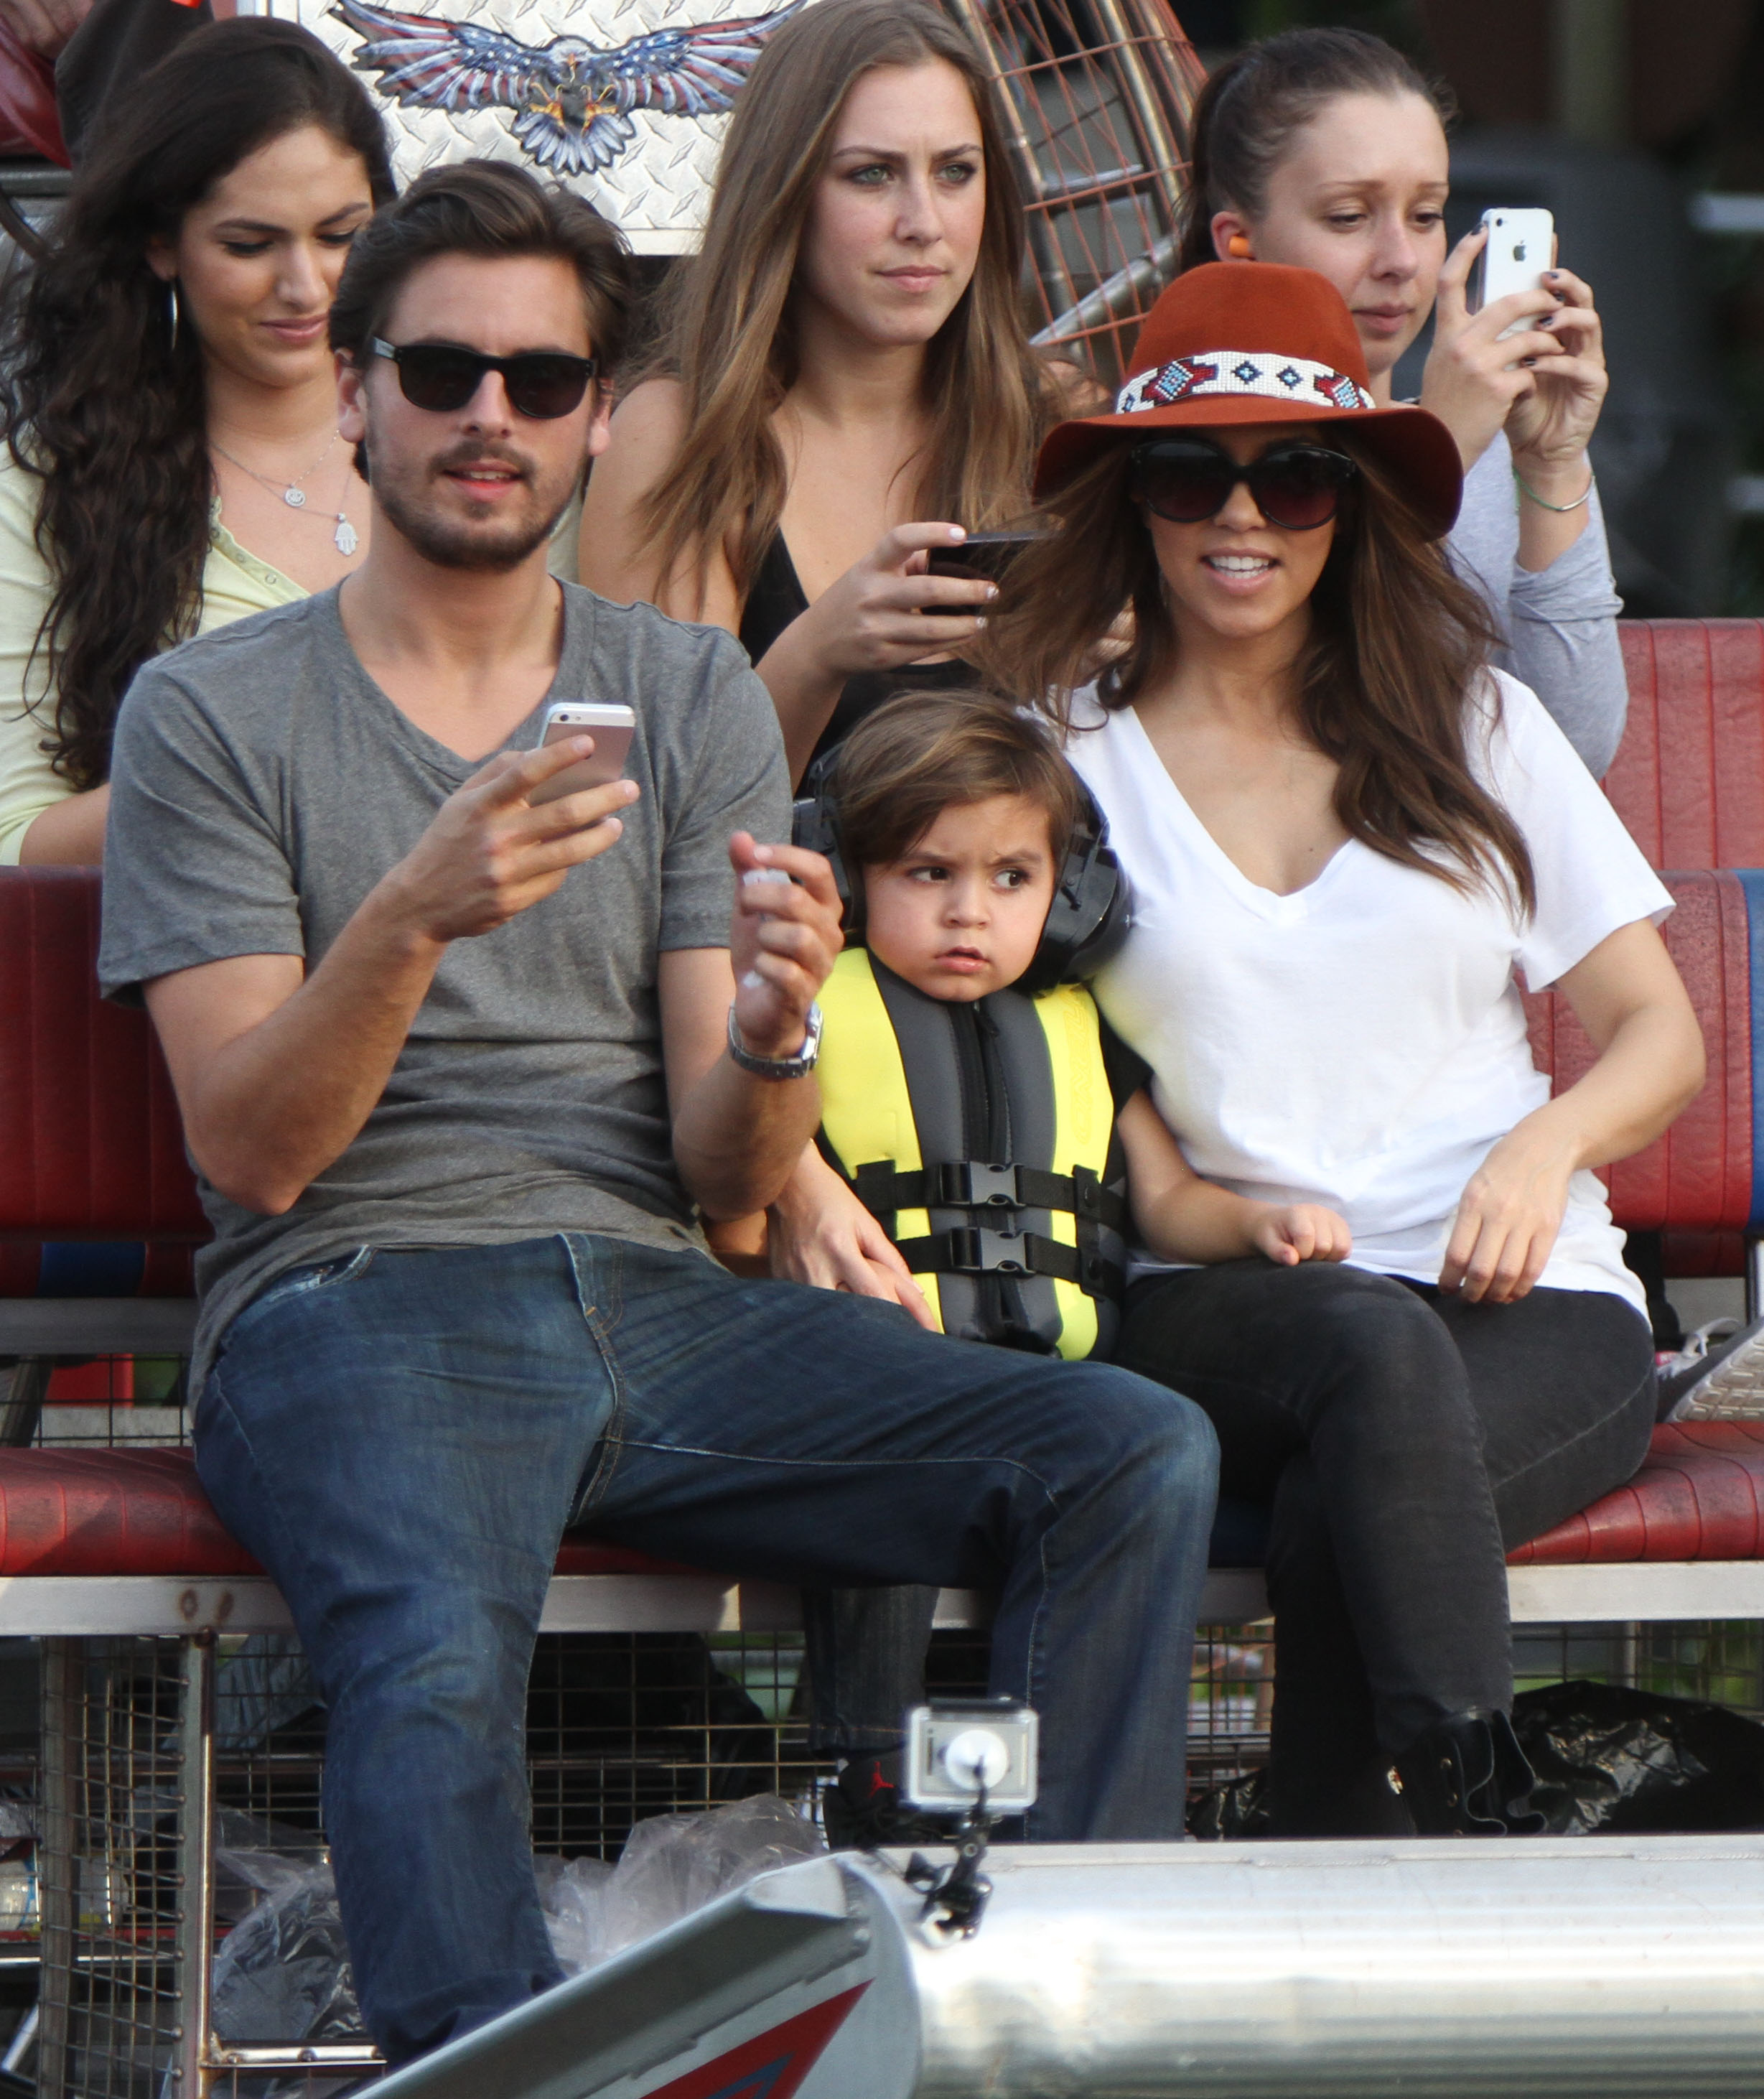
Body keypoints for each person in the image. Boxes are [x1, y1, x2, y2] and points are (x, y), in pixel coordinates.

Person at [95, 159, 1219, 2064]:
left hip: (650, 1289)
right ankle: (507, 2069)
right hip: (352, 1287)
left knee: (1130, 1449)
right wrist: (416, 914)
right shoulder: (209, 714)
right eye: (440, 370)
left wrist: (782, 1033)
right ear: (355, 393)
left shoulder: (689, 692)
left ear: (602, 415)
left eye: (541, 382)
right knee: (433, 1659)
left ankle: (1033, 2027)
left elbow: (719, 1167)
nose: (488, 418)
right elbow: (253, 1152)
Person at [979, 259, 1704, 1837]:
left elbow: (1659, 1033)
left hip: (1532, 1306)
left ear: (1351, 500)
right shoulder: (1053, 750)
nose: (1240, 518)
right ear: (1131, 497)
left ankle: (1323, 1876)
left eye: (1292, 474)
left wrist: (1541, 1147)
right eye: (1190, 472)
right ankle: (1472, 1816)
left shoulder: (1470, 718)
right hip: (1214, 1294)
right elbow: (1024, 1050)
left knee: (1339, 1502)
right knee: (1363, 1351)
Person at [794, 689, 1348, 1843]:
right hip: (886, 1390)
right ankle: (862, 1774)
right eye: (925, 872)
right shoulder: (809, 1008)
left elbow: (1168, 1199)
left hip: (1060, 1393)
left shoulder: (1078, 1023)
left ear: (1071, 893)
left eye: (1010, 877)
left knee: (1138, 1443)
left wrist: (1254, 1225)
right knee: (890, 1486)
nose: (968, 911)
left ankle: (1048, 1812)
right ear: (846, 879)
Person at [579, 0, 1083, 786]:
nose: (922, 221)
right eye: (871, 174)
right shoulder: (682, 434)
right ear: (782, 192)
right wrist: (816, 655)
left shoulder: (1057, 417)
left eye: (956, 171)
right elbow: (651, 815)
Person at [1175, 27, 1626, 777]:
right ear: (1238, 241)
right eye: (1349, 217)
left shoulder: (1496, 448)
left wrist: (1551, 465)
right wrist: (1436, 452)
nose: (1399, 261)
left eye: (1426, 215)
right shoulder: (1189, 467)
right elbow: (1304, 725)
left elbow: (1576, 752)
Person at [0, 17, 392, 867]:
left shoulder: (486, 430)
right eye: (250, 244)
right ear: (160, 244)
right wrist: (289, 770)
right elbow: (18, 843)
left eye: (340, 236)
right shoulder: (41, 486)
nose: (305, 285)